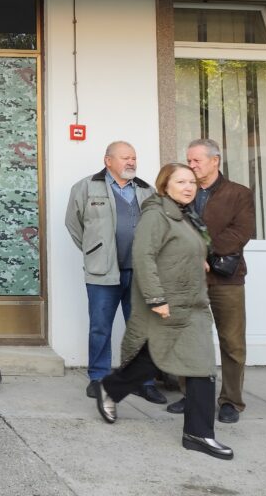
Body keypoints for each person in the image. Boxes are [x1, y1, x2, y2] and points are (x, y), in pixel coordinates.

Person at [95, 163, 233, 461]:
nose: (188, 187)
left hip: (192, 303)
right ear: (165, 186)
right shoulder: (156, 215)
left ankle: (198, 433)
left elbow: (184, 249)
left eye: (192, 182)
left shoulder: (187, 217)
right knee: (154, 358)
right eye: (180, 182)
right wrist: (156, 298)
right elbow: (143, 256)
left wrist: (200, 259)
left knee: (201, 365)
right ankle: (112, 388)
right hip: (167, 302)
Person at [65, 142, 165, 404]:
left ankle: (143, 381)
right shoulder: (86, 187)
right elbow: (73, 224)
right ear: (108, 160)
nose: (131, 162)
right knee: (100, 327)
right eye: (125, 158)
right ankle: (98, 378)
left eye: (134, 157)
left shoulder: (146, 190)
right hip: (102, 271)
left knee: (141, 328)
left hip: (140, 272)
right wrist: (94, 249)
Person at [167, 139, 255, 423]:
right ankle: (190, 395)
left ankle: (231, 401)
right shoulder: (181, 190)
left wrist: (202, 251)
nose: (191, 165)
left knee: (232, 342)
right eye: (189, 160)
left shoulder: (239, 193)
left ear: (215, 160)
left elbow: (240, 232)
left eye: (196, 160)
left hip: (226, 280)